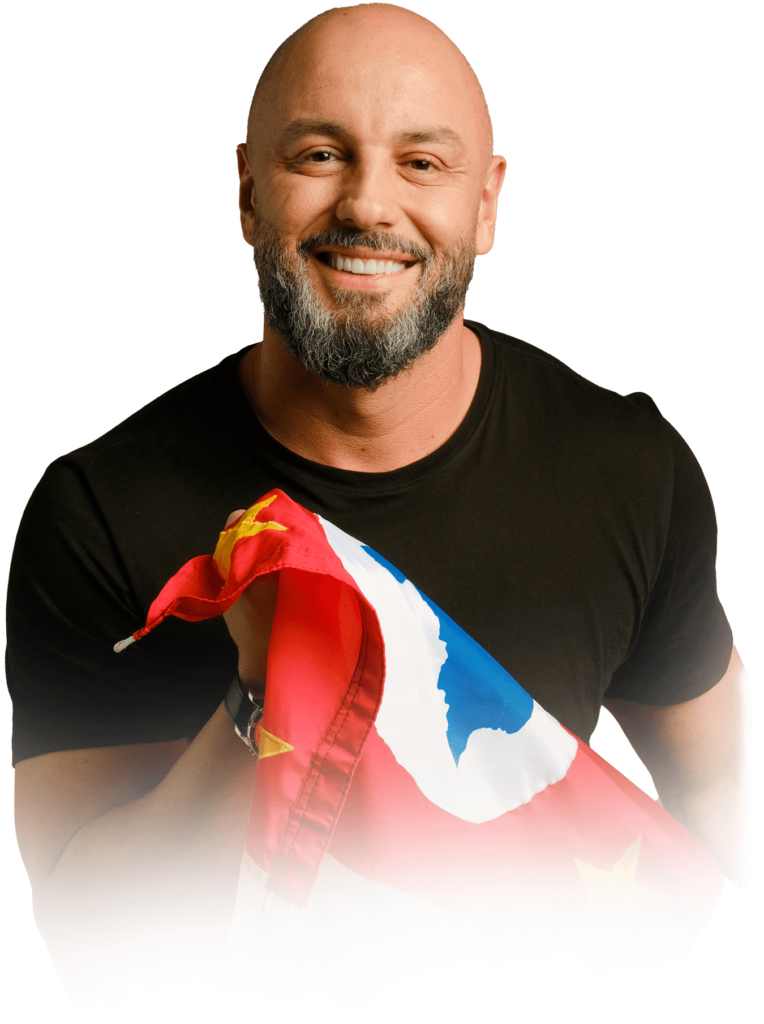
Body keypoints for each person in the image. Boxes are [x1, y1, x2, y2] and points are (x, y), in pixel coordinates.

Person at [9, 3, 750, 1011]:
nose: (367, 203)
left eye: (420, 163)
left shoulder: (628, 468)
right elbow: (85, 935)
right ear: (246, 193)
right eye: (320, 155)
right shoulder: (99, 510)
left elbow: (714, 796)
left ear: (486, 206)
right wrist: (270, 692)